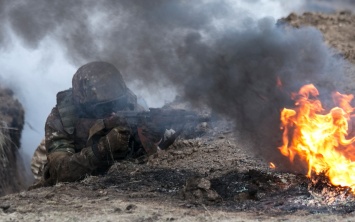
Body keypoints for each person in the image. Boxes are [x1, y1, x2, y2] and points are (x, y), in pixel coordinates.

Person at [31, 61, 165, 188]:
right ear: (84, 105)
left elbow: (152, 152)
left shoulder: (131, 106)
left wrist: (155, 137)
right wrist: (103, 148)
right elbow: (60, 172)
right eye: (105, 107)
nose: (114, 110)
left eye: (117, 103)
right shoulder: (61, 121)